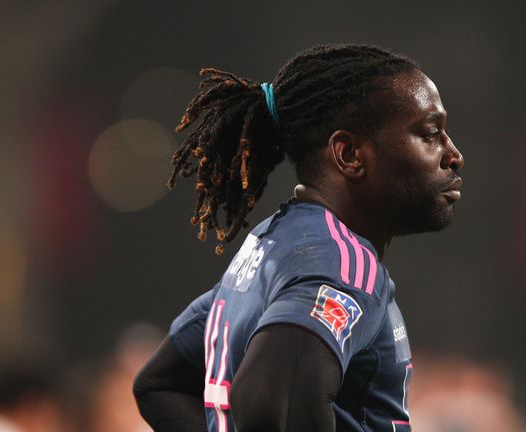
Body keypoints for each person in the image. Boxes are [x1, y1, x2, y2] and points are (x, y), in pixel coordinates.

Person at [132, 43, 464, 432]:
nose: (453, 154)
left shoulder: (269, 247)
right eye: (429, 133)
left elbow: (161, 386)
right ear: (349, 154)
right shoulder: (341, 266)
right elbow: (268, 398)